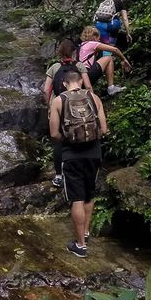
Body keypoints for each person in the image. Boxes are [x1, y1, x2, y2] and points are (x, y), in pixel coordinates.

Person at [49, 64, 108, 257]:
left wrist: (69, 139)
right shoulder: (94, 97)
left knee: (77, 198)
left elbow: (54, 133)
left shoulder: (58, 101)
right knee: (89, 194)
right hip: (94, 153)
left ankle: (80, 245)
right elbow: (104, 130)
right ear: (81, 81)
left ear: (65, 83)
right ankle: (87, 231)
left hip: (71, 155)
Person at [42, 39, 91, 187]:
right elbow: (88, 86)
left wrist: (49, 106)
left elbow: (46, 90)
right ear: (74, 52)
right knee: (81, 132)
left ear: (60, 53)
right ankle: (82, 169)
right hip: (79, 103)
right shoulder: (79, 66)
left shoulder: (54, 67)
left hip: (59, 104)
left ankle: (58, 176)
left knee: (58, 139)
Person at [78, 26, 130, 95]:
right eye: (98, 38)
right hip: (87, 74)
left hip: (81, 76)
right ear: (94, 37)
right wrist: (124, 59)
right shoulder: (92, 44)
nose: (99, 41)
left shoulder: (81, 45)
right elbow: (115, 50)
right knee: (108, 58)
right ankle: (111, 88)